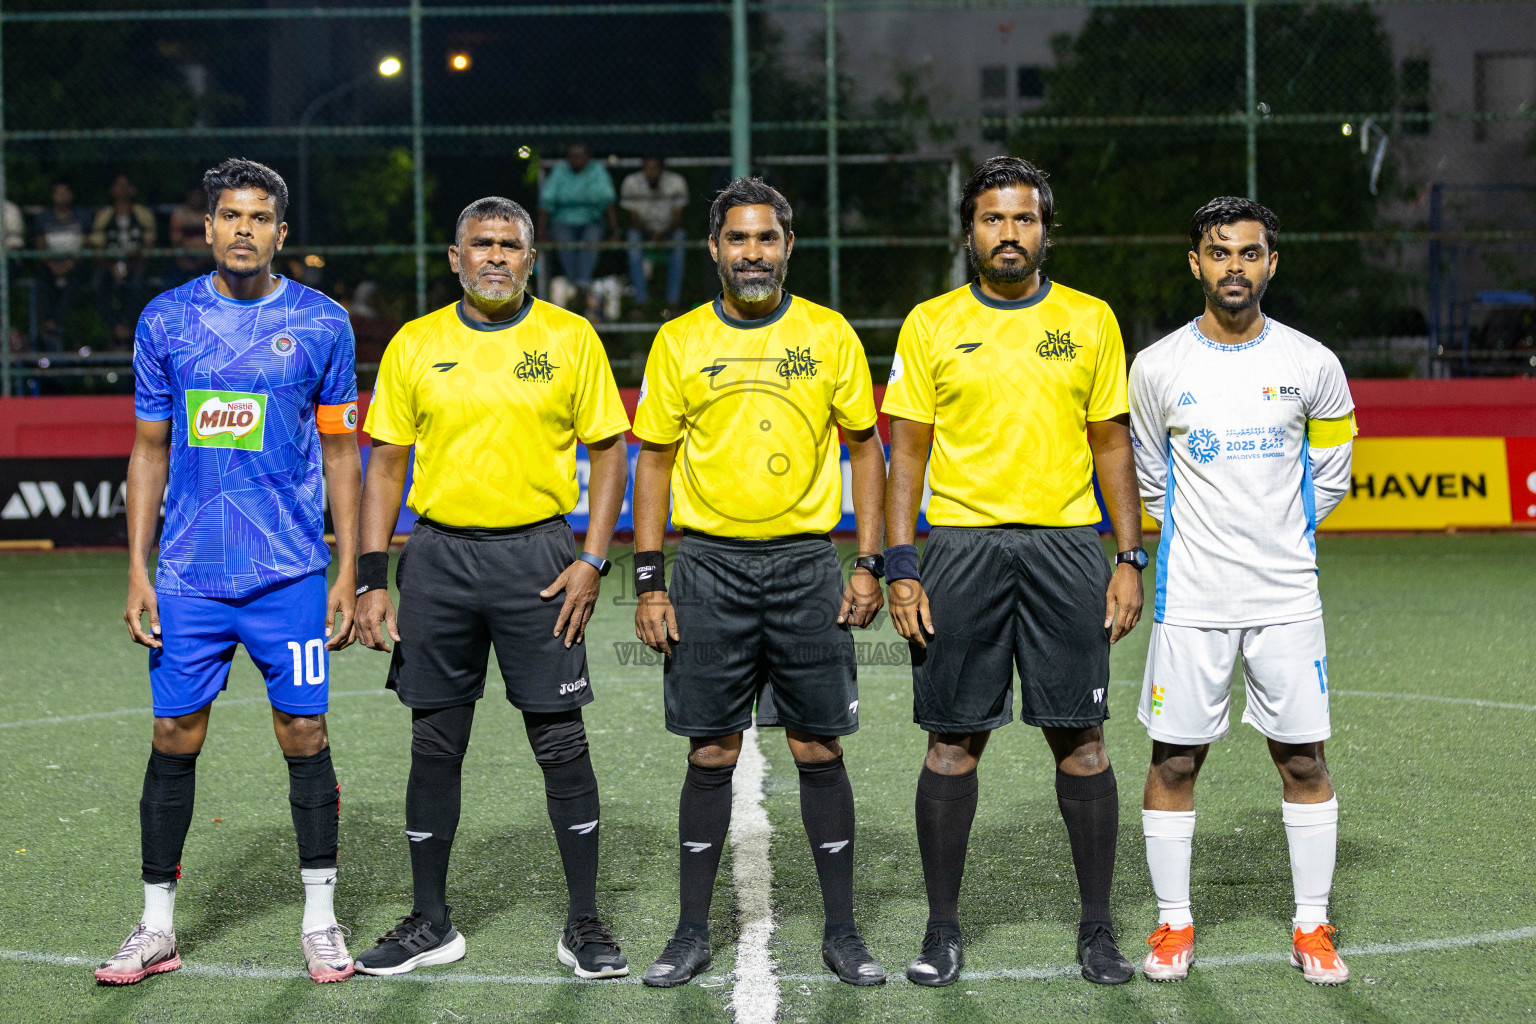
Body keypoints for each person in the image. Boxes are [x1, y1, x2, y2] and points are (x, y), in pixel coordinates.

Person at [352, 196, 632, 980]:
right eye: (482, 244)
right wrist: (373, 578)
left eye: (511, 244)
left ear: (532, 258)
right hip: (438, 560)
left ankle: (584, 922)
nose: (497, 257)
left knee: (560, 740)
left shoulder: (570, 339)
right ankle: (430, 922)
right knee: (435, 742)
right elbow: (384, 464)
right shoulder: (416, 344)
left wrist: (594, 559)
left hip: (539, 561)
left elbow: (610, 454)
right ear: (455, 257)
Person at [882, 155, 1145, 988]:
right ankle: (942, 930)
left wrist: (1129, 555)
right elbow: (907, 454)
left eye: (1024, 219)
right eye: (993, 220)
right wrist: (901, 564)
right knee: (952, 743)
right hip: (960, 549)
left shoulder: (1091, 319)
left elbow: (1112, 444)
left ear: (1045, 230)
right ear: (969, 232)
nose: (1009, 234)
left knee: (1084, 742)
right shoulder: (929, 323)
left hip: (1068, 548)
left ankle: (1098, 930)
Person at [100, 158, 362, 986]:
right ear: (206, 227)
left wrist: (348, 568)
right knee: (173, 735)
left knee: (305, 733)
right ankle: (156, 927)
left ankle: (320, 920)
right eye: (229, 215)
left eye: (259, 217)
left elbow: (341, 450)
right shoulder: (166, 320)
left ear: (282, 233)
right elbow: (147, 450)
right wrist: (137, 568)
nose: (243, 229)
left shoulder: (322, 323)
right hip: (187, 576)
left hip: (288, 574)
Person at [632, 177, 889, 988]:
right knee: (711, 747)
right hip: (707, 567)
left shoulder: (829, 333)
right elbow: (654, 460)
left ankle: (843, 933)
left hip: (808, 567)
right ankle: (689, 932)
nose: (753, 253)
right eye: (738, 240)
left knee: (817, 742)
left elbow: (866, 450)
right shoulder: (679, 340)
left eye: (767, 239)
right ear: (714, 249)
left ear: (788, 247)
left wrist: (870, 561)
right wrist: (650, 579)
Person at [1130, 197, 1356, 986]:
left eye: (1250, 253)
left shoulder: (1312, 363)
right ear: (1196, 264)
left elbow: (1330, 480)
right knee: (1175, 761)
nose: (1235, 267)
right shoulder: (1158, 367)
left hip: (1287, 599)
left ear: (1271, 264)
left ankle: (1312, 926)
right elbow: (1151, 482)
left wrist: (1272, 541)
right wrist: (1207, 543)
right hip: (1190, 601)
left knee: (1303, 760)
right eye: (1219, 253)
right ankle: (1172, 928)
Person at [537, 144, 618, 316]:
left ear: (588, 157)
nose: (576, 159)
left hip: (591, 220)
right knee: (566, 244)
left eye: (580, 155)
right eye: (572, 155)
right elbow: (546, 203)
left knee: (591, 241)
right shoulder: (560, 171)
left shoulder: (596, 171)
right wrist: (541, 232)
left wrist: (614, 230)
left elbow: (608, 200)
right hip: (563, 220)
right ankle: (577, 288)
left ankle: (579, 286)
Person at [91, 173, 158, 347]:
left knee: (138, 283)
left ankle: (127, 326)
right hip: (109, 263)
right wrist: (111, 265)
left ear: (132, 189)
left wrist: (130, 265)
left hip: (136, 263)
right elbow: (97, 248)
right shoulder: (104, 215)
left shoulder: (142, 214)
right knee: (97, 283)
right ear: (111, 190)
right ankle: (116, 327)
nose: (121, 189)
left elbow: (148, 247)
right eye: (117, 185)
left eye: (125, 185)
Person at [620, 156, 688, 315]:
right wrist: (651, 235)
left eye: (655, 168)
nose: (651, 172)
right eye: (647, 168)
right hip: (642, 231)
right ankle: (641, 302)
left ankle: (673, 303)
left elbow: (678, 217)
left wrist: (663, 235)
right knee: (632, 240)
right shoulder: (631, 182)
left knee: (680, 240)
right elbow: (633, 218)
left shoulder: (676, 182)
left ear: (662, 170)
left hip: (669, 230)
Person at [33, 180, 93, 350]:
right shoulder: (44, 217)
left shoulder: (81, 215)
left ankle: (55, 321)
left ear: (71, 195)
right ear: (53, 196)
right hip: (51, 264)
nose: (62, 196)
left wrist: (70, 264)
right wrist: (52, 264)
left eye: (65, 192)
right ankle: (47, 321)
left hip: (75, 264)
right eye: (58, 192)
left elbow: (88, 245)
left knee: (77, 279)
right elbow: (40, 245)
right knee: (41, 276)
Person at [169, 187, 214, 282]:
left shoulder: (214, 214)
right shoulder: (179, 214)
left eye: (199, 194)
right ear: (188, 195)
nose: (196, 197)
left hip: (210, 261)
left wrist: (202, 262)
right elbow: (176, 243)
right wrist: (184, 262)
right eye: (193, 194)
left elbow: (217, 243)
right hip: (183, 260)